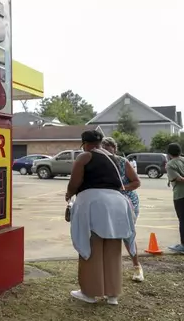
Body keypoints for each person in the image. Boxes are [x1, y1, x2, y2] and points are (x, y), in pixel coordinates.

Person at [65, 130, 136, 305]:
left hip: (93, 204)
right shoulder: (114, 158)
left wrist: (69, 194)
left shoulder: (84, 157)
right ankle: (113, 295)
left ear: (84, 144)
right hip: (118, 203)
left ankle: (89, 293)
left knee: (92, 247)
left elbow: (74, 182)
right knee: (113, 249)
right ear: (100, 142)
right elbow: (123, 182)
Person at [101, 137, 144, 282]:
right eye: (103, 147)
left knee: (127, 234)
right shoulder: (98, 163)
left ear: (115, 148)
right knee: (107, 235)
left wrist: (120, 188)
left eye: (109, 147)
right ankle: (110, 268)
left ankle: (137, 267)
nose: (106, 150)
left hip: (127, 202)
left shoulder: (122, 162)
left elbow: (136, 182)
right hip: (108, 202)